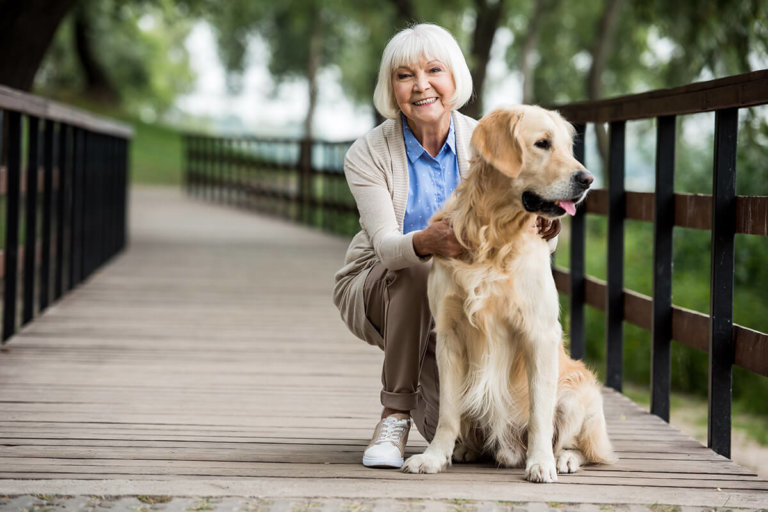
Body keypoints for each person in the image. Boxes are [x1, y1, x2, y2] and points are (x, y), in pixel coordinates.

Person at [332, 23, 560, 469]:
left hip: (464, 294)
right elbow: (386, 249)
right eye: (404, 76)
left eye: (434, 70)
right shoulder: (367, 154)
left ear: (454, 78)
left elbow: (521, 220)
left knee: (474, 442)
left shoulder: (488, 140)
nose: (421, 86)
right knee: (419, 267)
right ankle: (394, 416)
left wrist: (546, 226)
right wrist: (426, 241)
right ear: (391, 88)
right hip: (382, 282)